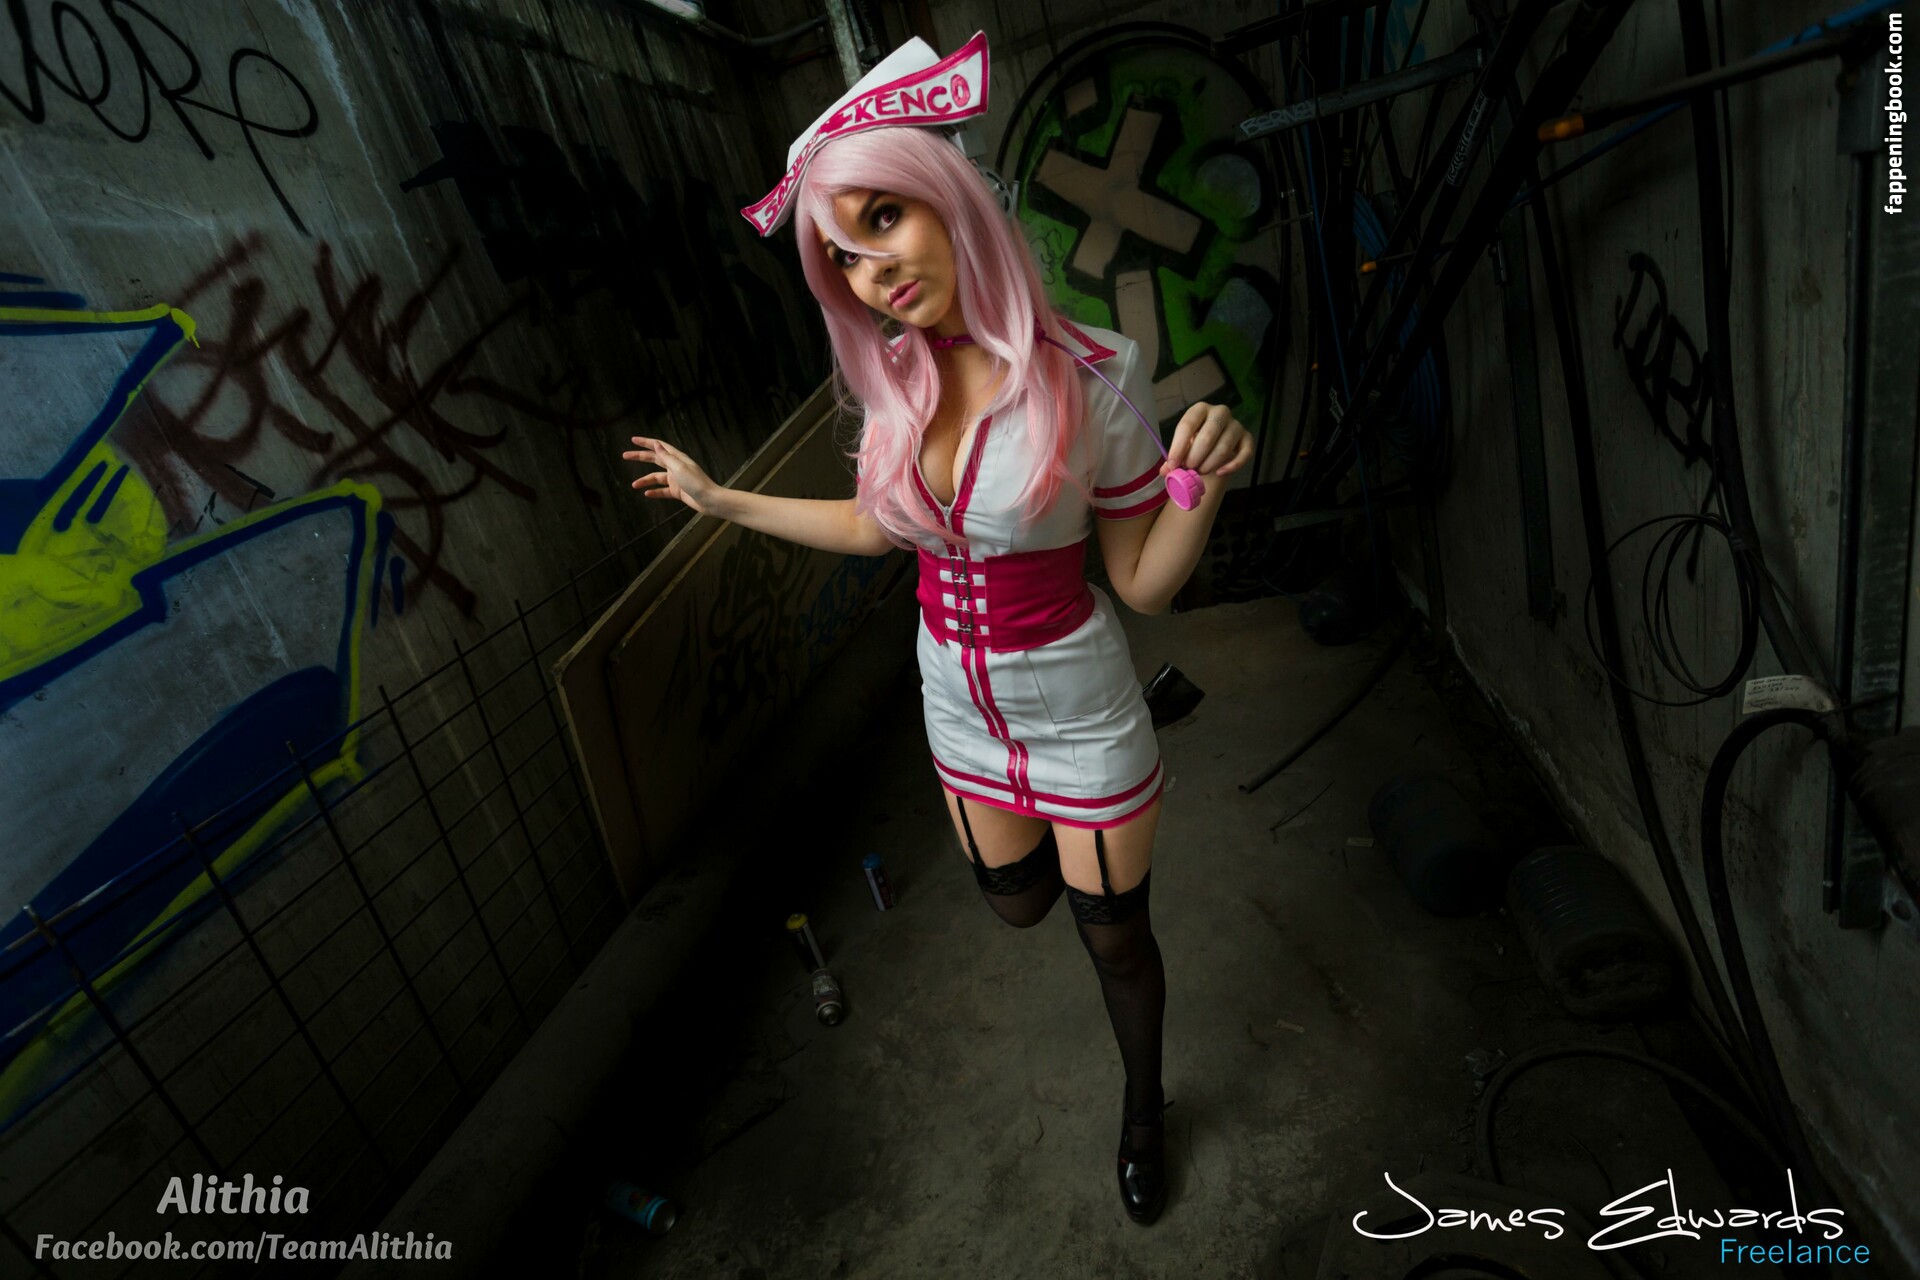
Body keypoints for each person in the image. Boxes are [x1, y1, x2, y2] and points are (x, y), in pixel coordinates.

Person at [620, 32, 1251, 1226]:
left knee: (1114, 939)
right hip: (955, 705)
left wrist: (1201, 483)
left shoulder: (1094, 372)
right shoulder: (894, 387)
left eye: (884, 220)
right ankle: (1105, 791)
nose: (872, 271)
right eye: (843, 254)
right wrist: (721, 499)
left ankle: (1145, 1106)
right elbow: (876, 528)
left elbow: (1141, 580)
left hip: (1075, 700)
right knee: (1018, 905)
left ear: (950, 199)